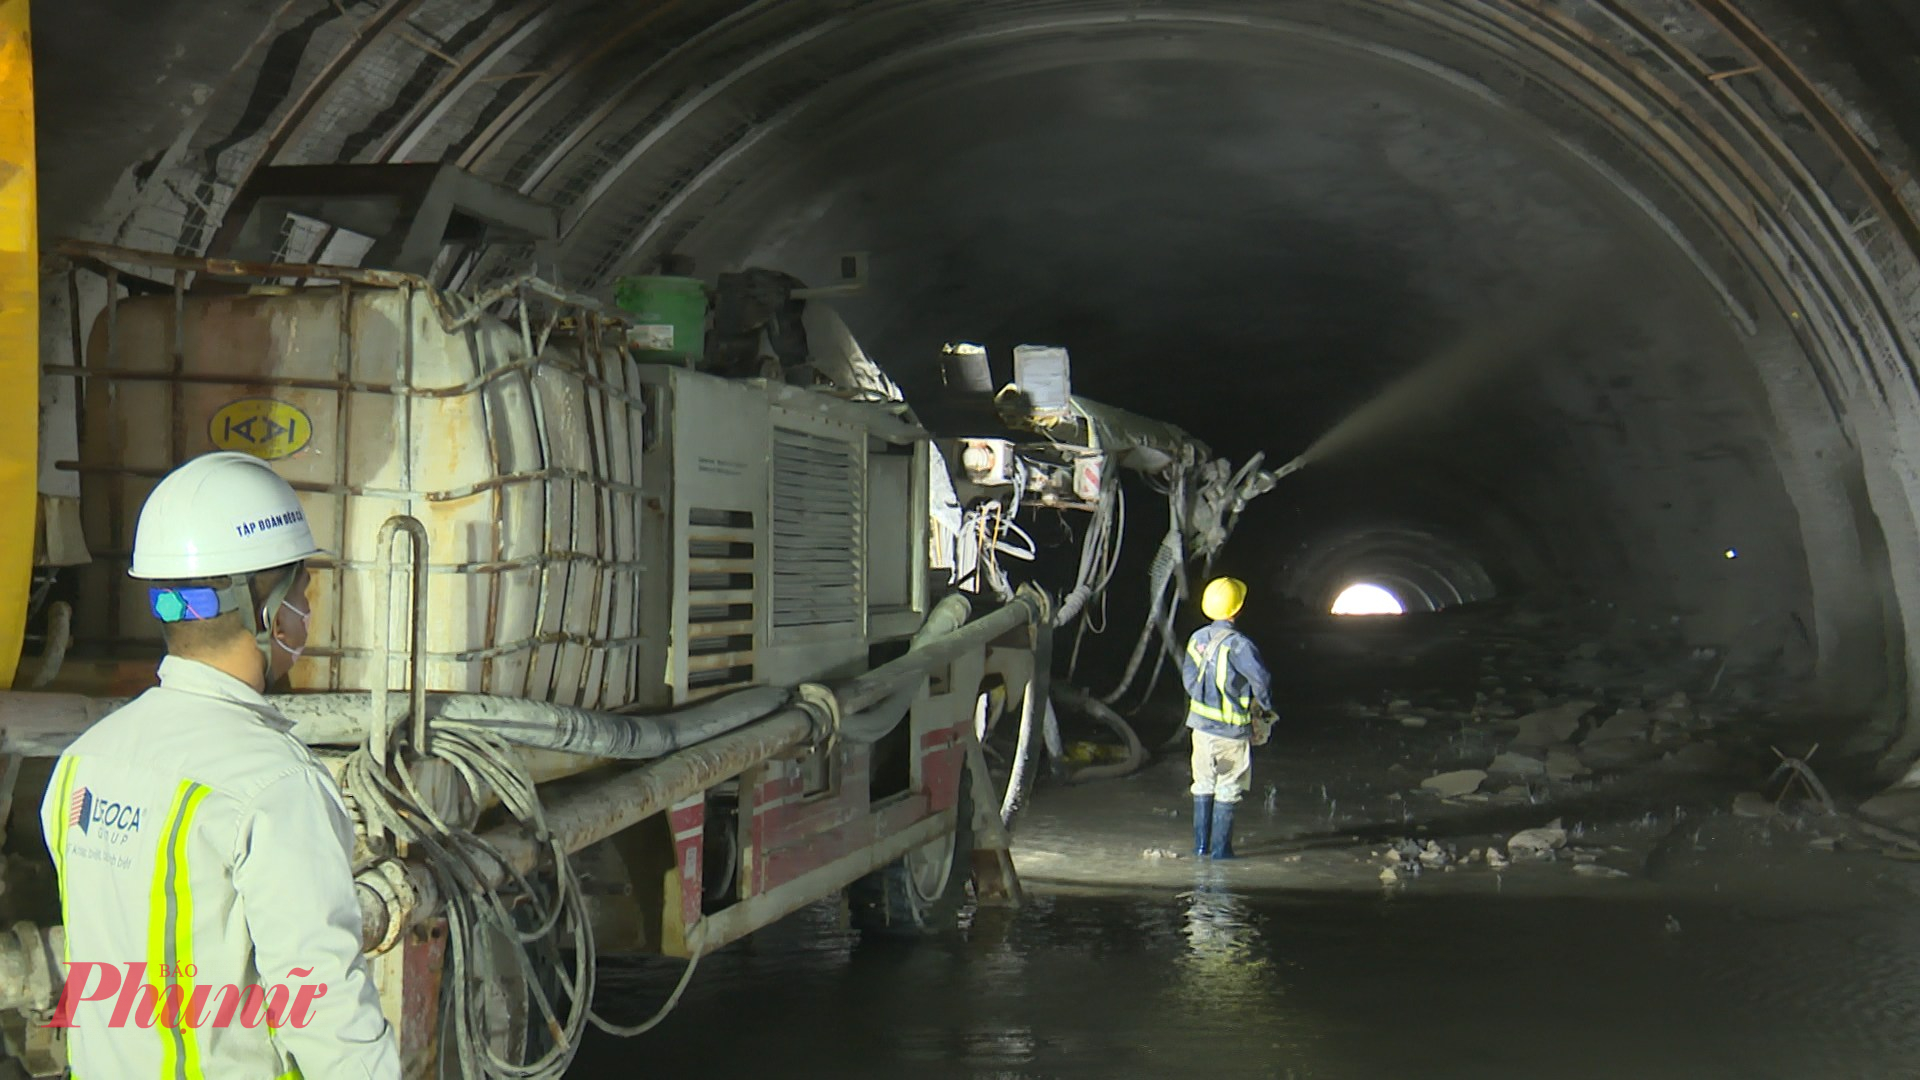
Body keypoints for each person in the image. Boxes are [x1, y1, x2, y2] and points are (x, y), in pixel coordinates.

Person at [39, 452, 399, 1078]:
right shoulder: (275, 786)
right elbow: (325, 1014)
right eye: (303, 594)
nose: (304, 615)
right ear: (271, 610)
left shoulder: (82, 762)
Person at [1181, 576, 1274, 860]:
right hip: (1230, 733)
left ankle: (1200, 849)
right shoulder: (1240, 645)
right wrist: (1265, 709)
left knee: (1203, 784)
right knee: (1228, 788)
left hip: (1200, 730)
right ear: (1237, 609)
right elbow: (1261, 680)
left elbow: (1187, 678)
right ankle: (1222, 853)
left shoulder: (1197, 639)